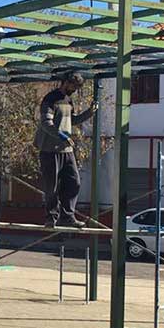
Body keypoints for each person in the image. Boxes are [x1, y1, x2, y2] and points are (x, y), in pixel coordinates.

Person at [34, 72, 98, 228]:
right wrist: (62, 136)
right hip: (49, 149)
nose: (75, 89)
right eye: (73, 86)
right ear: (64, 82)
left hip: (66, 149)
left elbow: (72, 120)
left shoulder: (69, 101)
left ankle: (68, 216)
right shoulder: (50, 99)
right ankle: (51, 217)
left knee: (73, 182)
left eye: (77, 87)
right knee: (52, 186)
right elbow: (46, 123)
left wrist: (89, 113)